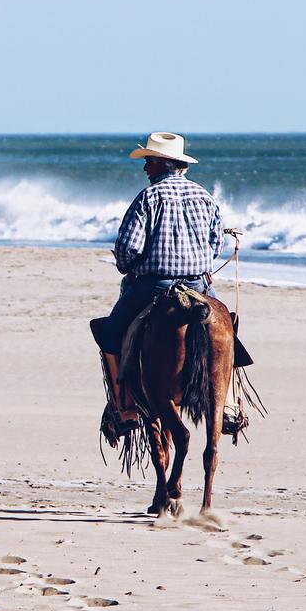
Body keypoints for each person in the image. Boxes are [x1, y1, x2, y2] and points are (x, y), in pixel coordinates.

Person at [97, 131, 222, 423]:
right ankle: (227, 404)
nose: (145, 168)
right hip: (198, 286)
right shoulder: (205, 196)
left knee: (110, 334)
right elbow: (216, 245)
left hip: (154, 286)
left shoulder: (148, 198)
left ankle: (124, 406)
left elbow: (128, 248)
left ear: (162, 163)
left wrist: (128, 265)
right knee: (227, 331)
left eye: (149, 161)